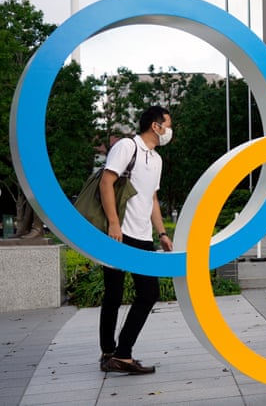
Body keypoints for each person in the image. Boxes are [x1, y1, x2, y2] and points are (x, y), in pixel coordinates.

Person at [98, 106, 174, 375]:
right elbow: (106, 183)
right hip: (118, 234)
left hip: (142, 236)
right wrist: (114, 224)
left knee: (149, 293)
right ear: (156, 126)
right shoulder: (127, 147)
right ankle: (110, 353)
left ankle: (122, 353)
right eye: (168, 124)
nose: (169, 130)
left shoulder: (156, 160)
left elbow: (152, 198)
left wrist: (162, 233)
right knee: (114, 295)